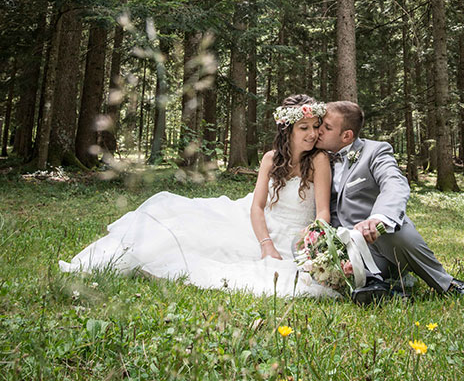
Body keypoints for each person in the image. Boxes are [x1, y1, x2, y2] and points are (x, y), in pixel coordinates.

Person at [59, 95, 337, 298]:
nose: (313, 134)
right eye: (304, 128)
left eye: (315, 127)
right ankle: (109, 261)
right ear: (287, 130)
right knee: (188, 228)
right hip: (259, 224)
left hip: (293, 233)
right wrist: (265, 244)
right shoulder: (269, 159)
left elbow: (322, 211)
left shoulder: (319, 161)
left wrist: (310, 238)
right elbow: (257, 206)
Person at [316, 100, 464, 305]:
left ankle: (447, 285)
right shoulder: (313, 157)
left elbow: (394, 183)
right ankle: (382, 289)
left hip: (380, 241)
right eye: (320, 124)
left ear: (346, 136)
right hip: (343, 245)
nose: (318, 131)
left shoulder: (375, 151)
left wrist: (378, 218)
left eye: (327, 127)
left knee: (397, 233)